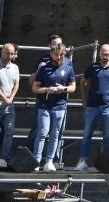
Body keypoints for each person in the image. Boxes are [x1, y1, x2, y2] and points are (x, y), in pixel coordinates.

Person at [29, 36, 76, 172]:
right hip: (44, 105)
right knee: (42, 133)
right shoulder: (44, 68)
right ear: (51, 54)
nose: (59, 57)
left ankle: (49, 161)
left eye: (61, 55)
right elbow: (35, 88)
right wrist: (47, 89)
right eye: (56, 55)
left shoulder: (68, 68)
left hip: (60, 106)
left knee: (55, 134)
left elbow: (73, 87)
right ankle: (36, 160)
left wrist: (64, 89)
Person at [78, 43, 109, 170]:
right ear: (99, 54)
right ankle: (83, 161)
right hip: (92, 107)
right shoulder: (93, 67)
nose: (105, 56)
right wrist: (83, 99)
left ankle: (105, 162)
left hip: (108, 107)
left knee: (107, 136)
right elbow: (83, 81)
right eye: (103, 54)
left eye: (107, 54)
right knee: (87, 134)